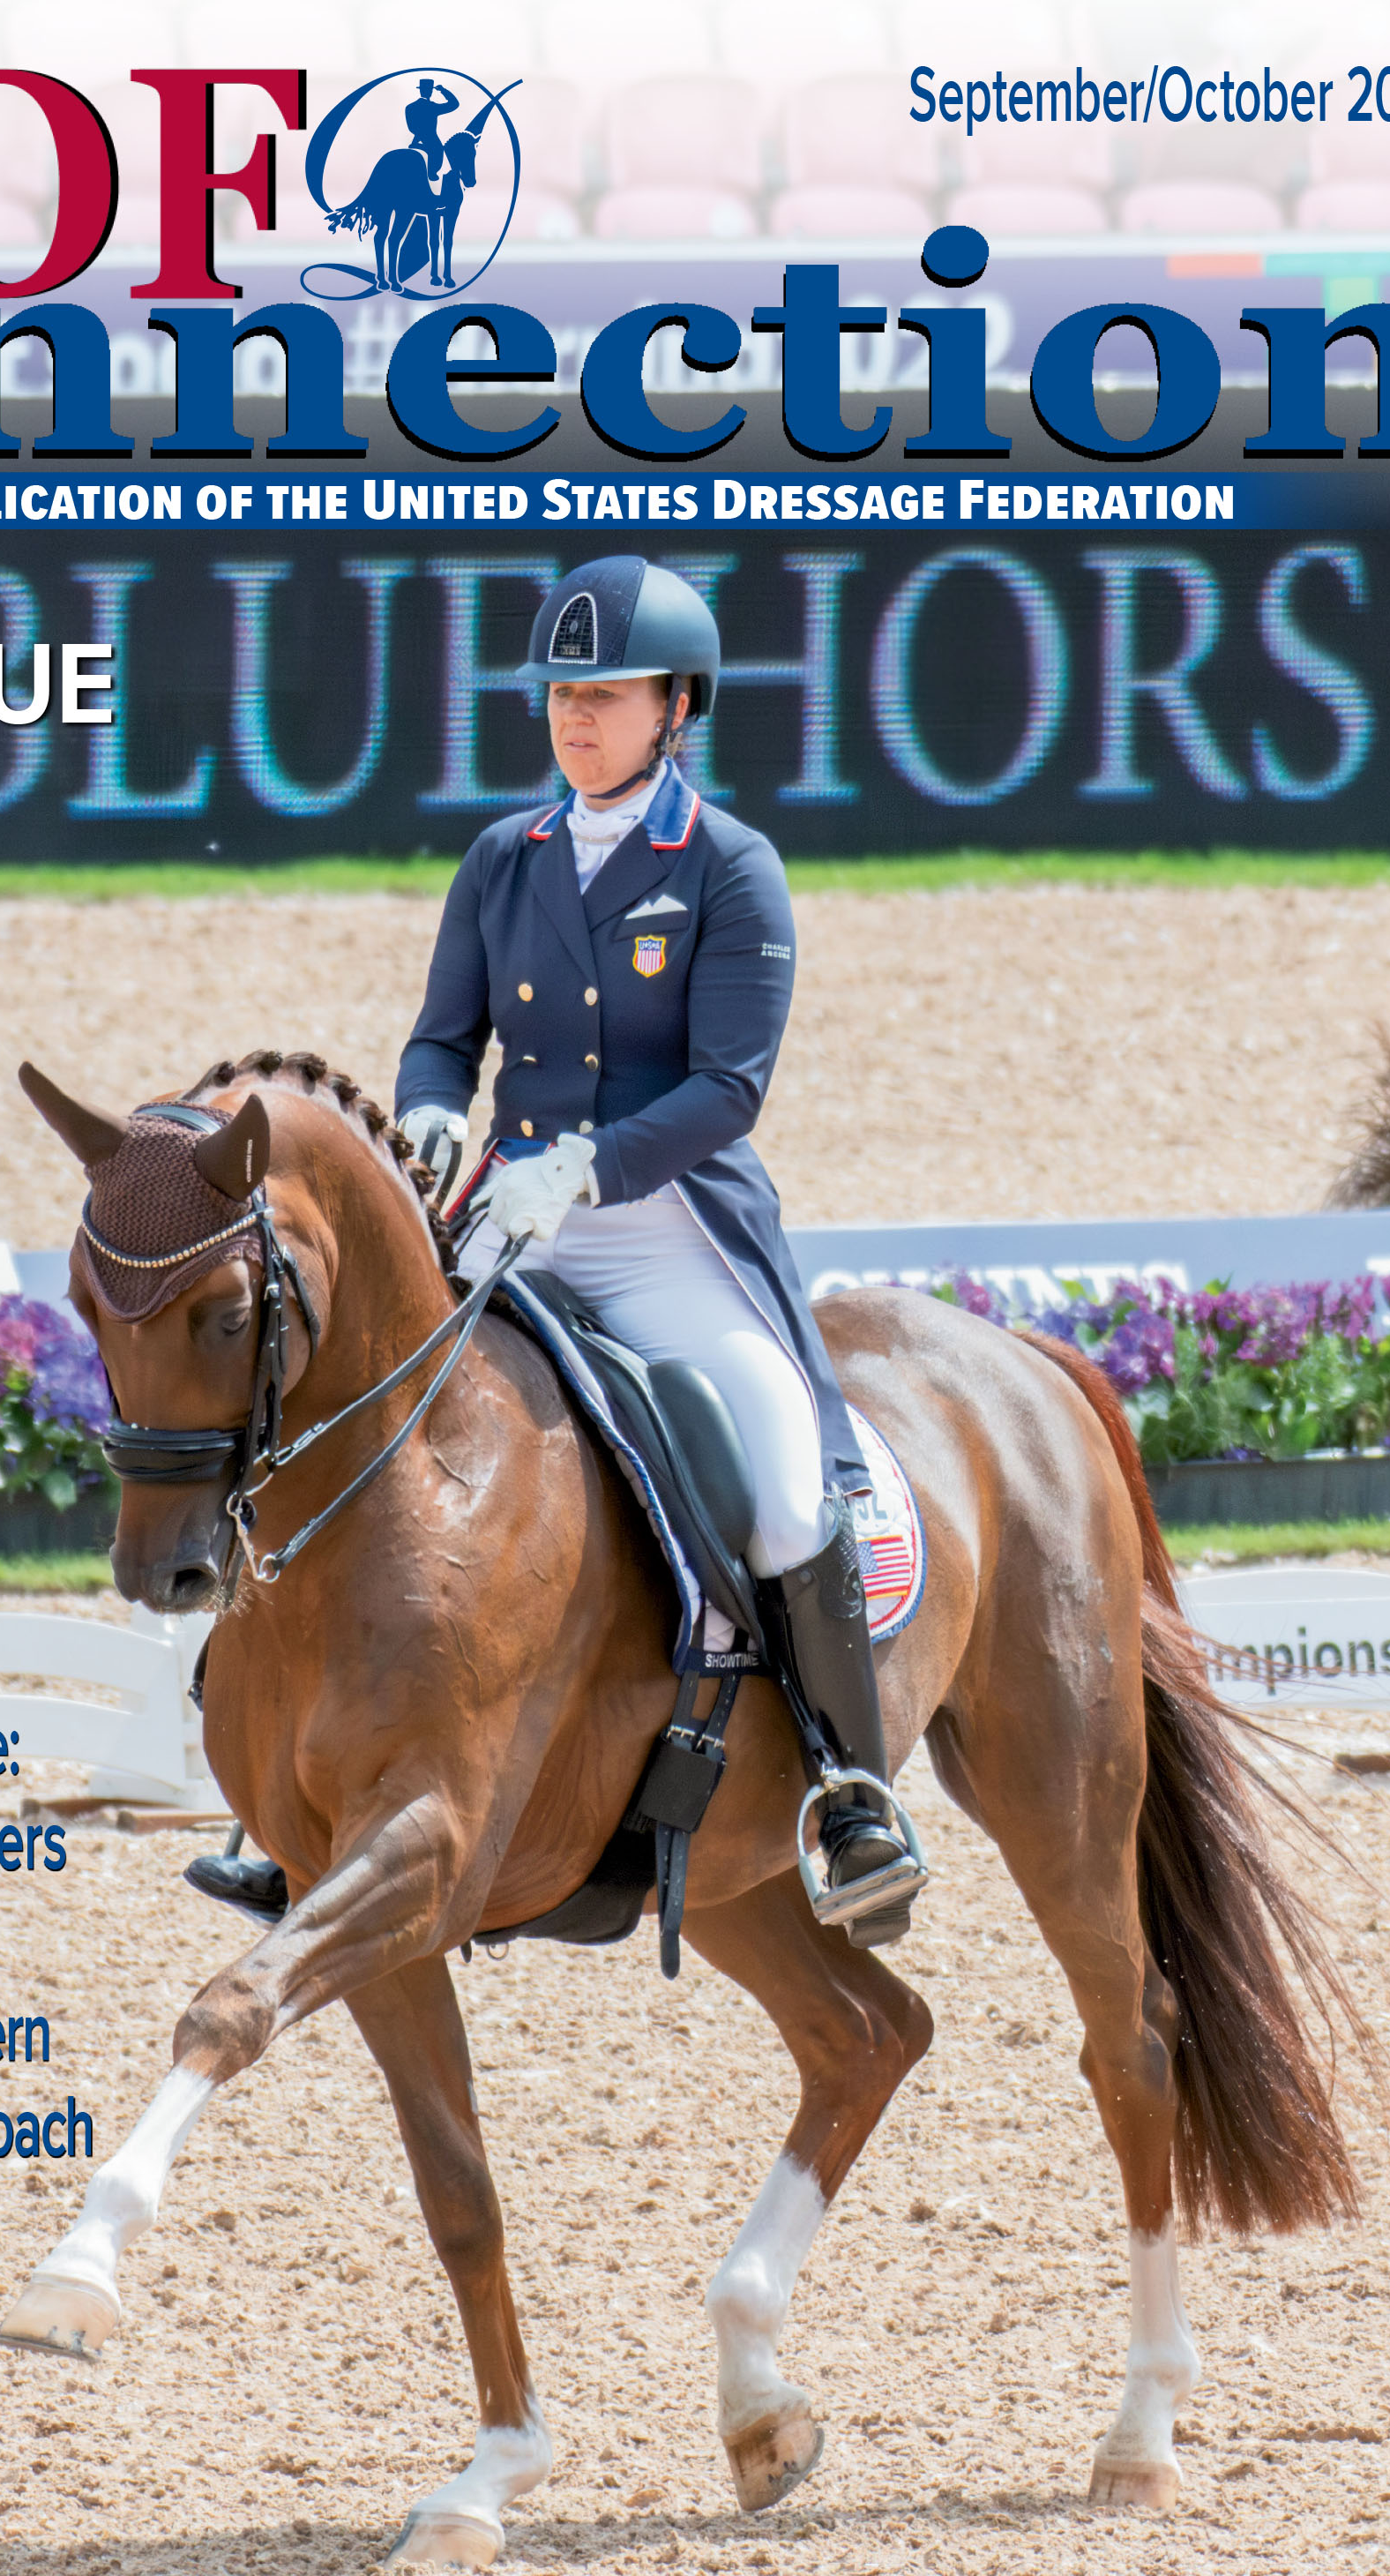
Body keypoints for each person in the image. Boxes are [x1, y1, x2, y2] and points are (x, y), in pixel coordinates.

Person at [188, 556, 925, 1946]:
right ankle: (286, 1803)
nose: (575, 718)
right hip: (509, 1222)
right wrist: (425, 1111)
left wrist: (587, 1167)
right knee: (350, 1424)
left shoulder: (727, 867)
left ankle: (848, 1790)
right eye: (560, 696)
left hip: (667, 1230)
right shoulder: (503, 859)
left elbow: (727, 1088)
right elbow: (443, 1037)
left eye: (606, 695)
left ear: (676, 707)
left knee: (781, 1489)